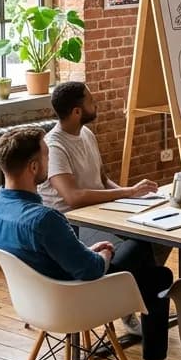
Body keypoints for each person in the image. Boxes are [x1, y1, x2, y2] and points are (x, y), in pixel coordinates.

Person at [0, 126, 181, 360]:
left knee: (139, 264)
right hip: (75, 302)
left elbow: (44, 257)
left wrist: (85, 251)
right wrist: (102, 253)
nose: (50, 162)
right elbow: (92, 270)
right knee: (156, 273)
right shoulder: (44, 219)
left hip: (34, 302)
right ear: (34, 167)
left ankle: (138, 313)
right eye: (47, 156)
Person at [39, 81, 168, 335]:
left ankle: (131, 300)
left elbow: (102, 180)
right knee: (140, 245)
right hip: (75, 224)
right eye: (90, 100)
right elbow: (73, 198)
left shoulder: (86, 134)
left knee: (160, 235)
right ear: (77, 111)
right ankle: (124, 302)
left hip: (102, 213)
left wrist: (132, 199)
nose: (96, 103)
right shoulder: (55, 146)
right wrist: (127, 192)